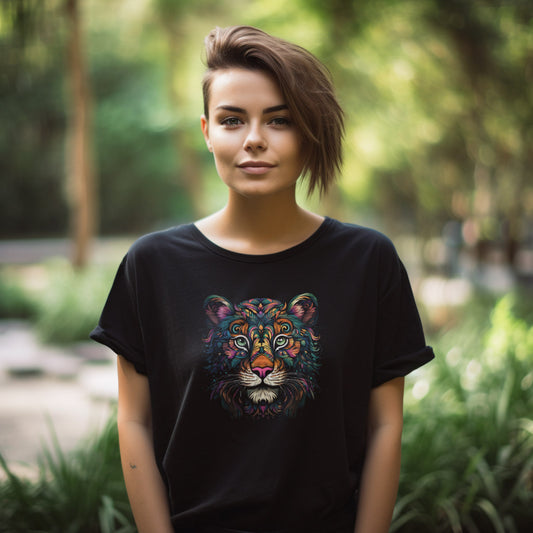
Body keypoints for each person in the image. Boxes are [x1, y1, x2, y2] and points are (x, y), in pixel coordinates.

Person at [90, 25, 434, 533]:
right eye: (233, 120)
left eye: (280, 120)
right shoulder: (153, 264)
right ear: (207, 132)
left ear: (309, 131)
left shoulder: (367, 261)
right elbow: (135, 421)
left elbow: (384, 424)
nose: (254, 139)